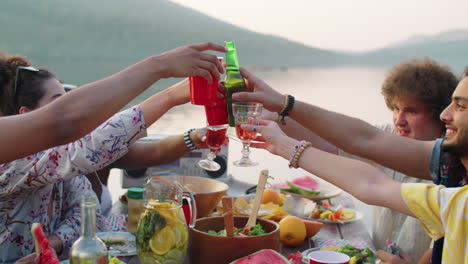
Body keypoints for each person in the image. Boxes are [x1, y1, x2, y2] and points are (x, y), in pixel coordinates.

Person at [0, 43, 225, 263]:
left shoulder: (63, 165)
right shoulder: (14, 161)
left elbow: (84, 215)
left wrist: (54, 242)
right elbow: (80, 132)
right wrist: (169, 88)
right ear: (26, 115)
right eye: (60, 103)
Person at [234, 67, 468, 263]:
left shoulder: (457, 200)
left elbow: (371, 184)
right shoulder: (446, 159)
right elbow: (362, 141)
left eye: (460, 106)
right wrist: (279, 110)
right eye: (396, 108)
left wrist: (286, 144)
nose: (445, 115)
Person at [0, 42, 225, 164]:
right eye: (59, 102)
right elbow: (69, 123)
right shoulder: (20, 160)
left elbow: (138, 150)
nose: (68, 104)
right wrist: (162, 69)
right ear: (25, 114)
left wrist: (193, 135)